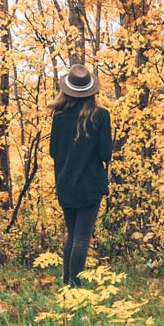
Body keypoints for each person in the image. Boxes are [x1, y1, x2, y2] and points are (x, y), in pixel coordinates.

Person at [49, 62, 113, 285]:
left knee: (72, 234)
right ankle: (75, 286)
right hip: (90, 184)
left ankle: (67, 282)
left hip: (65, 183)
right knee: (82, 236)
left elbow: (53, 152)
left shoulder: (58, 118)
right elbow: (106, 154)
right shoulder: (100, 116)